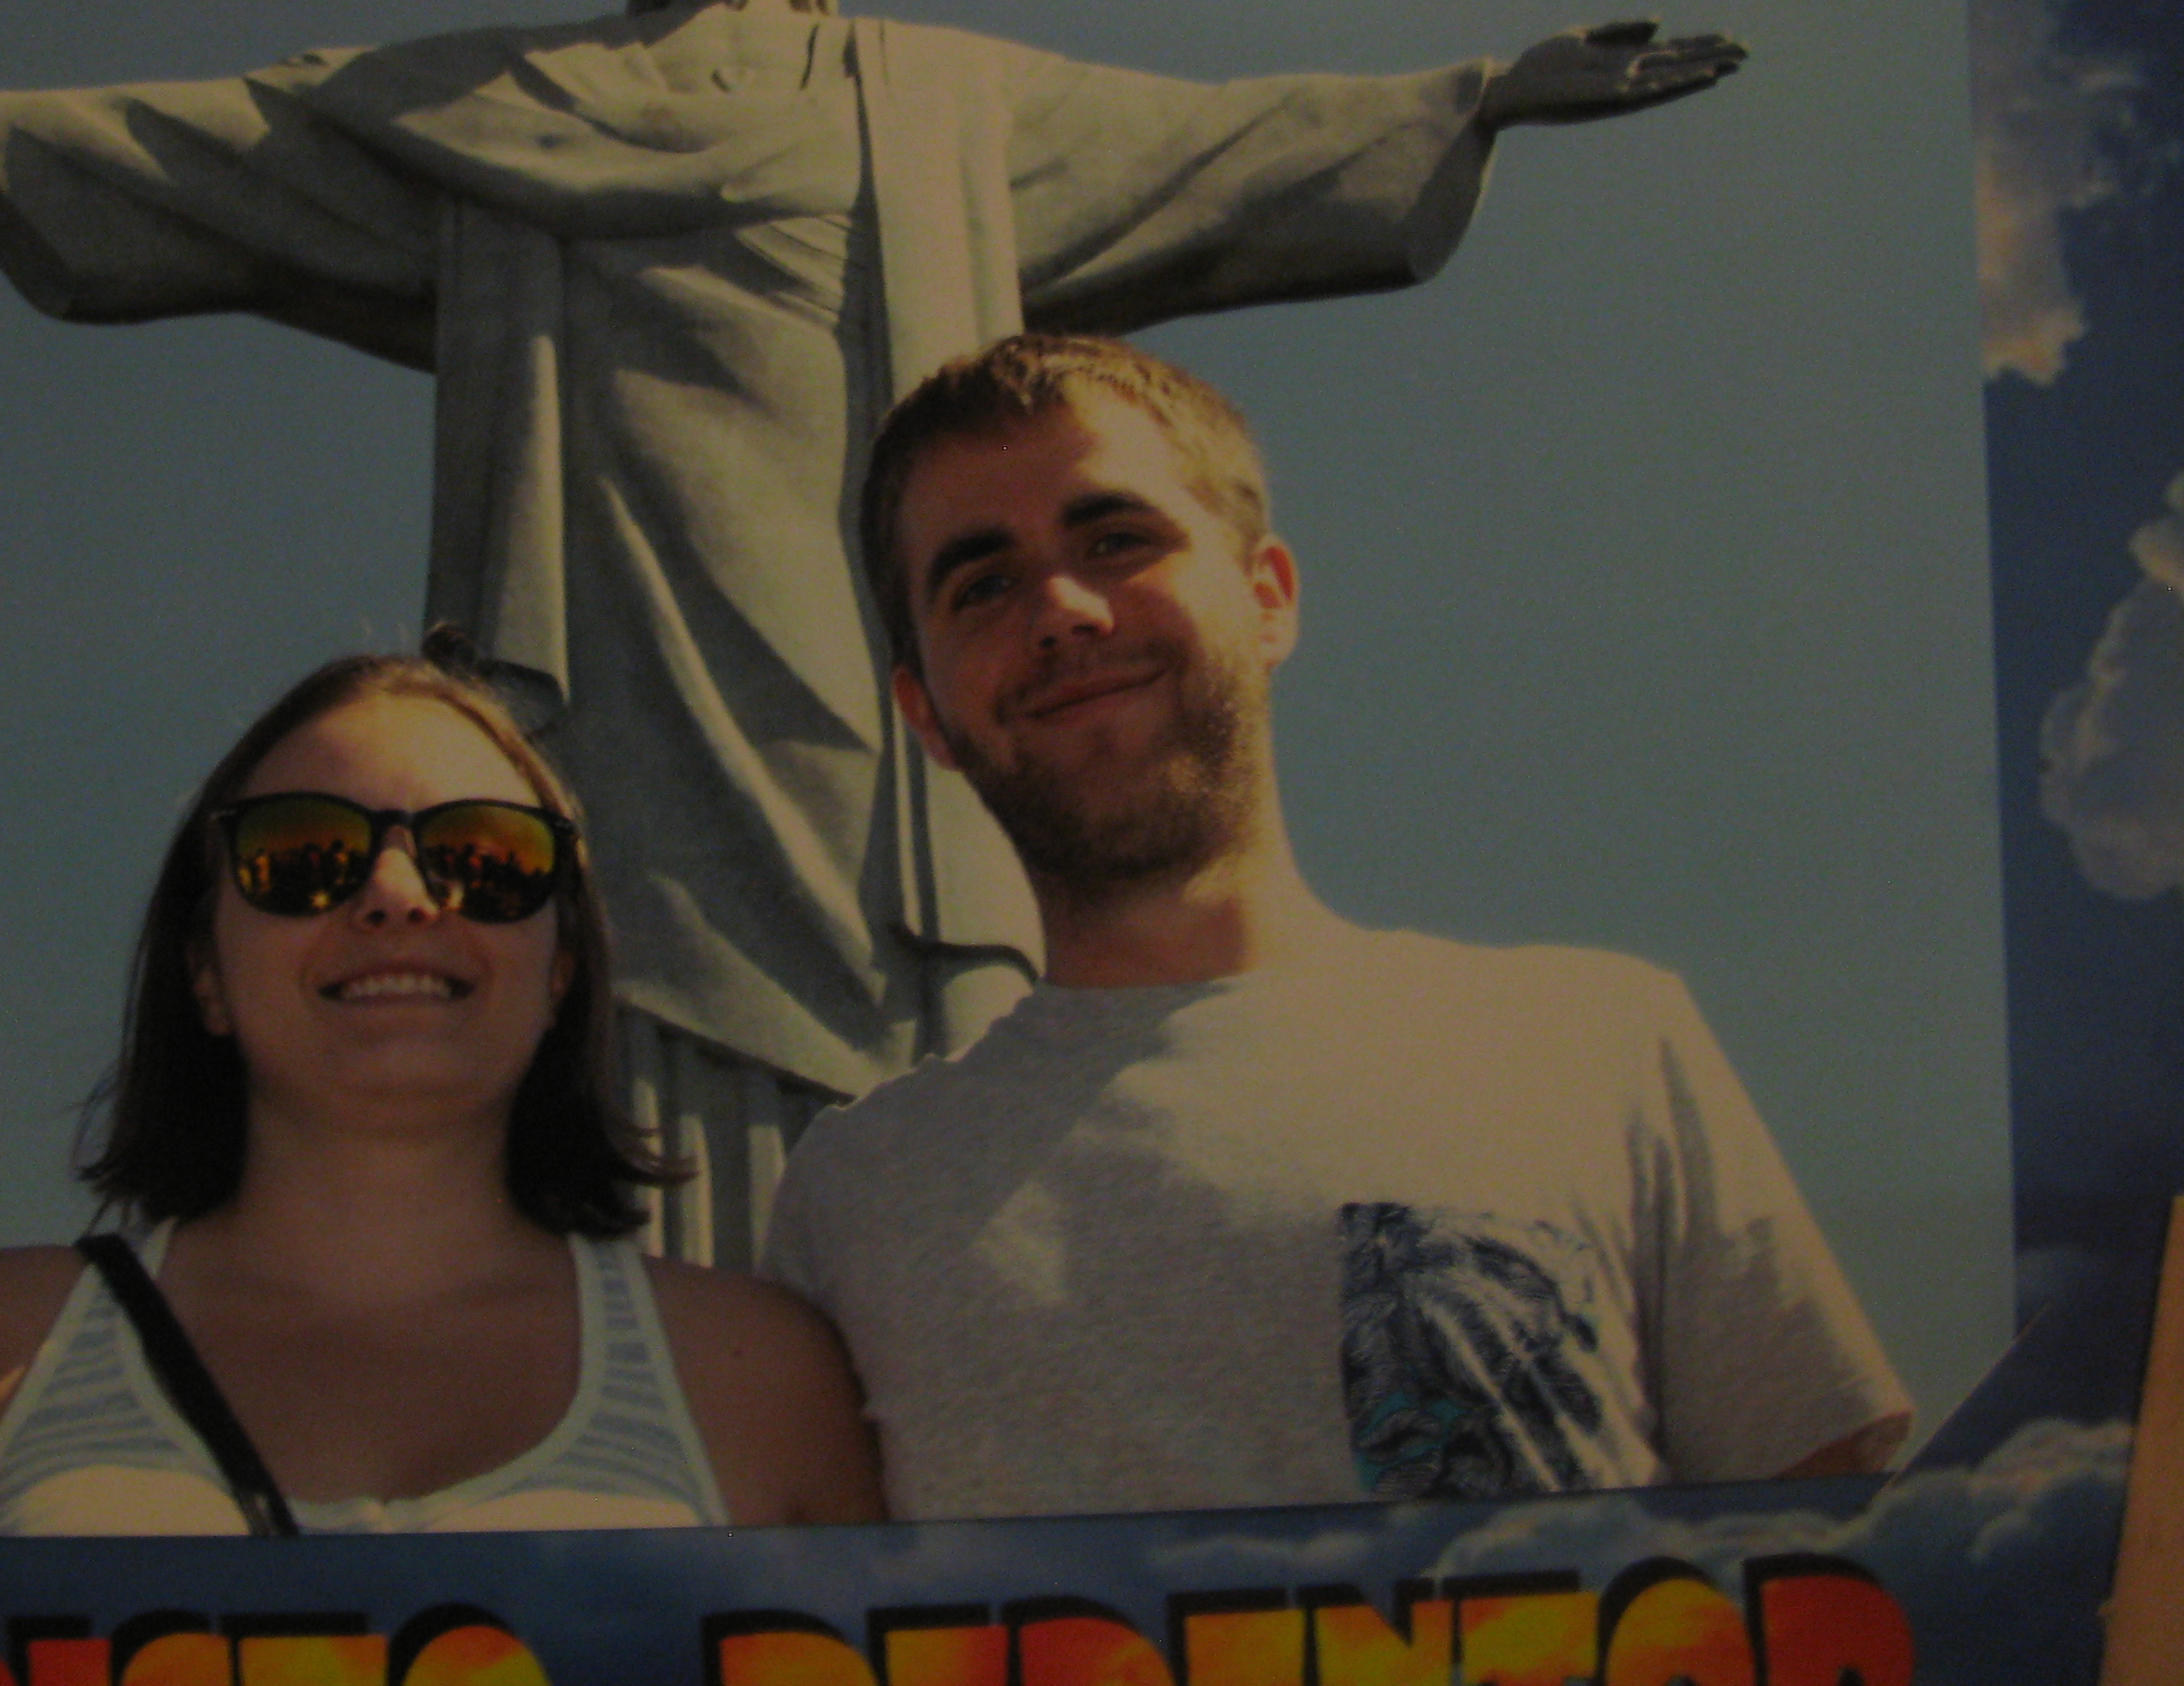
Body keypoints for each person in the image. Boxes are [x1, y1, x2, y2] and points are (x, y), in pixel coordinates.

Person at [0, 0, 1746, 1264]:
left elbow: (1215, 146)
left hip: (873, 651)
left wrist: (1469, 94)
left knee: (922, 979)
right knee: (604, 959)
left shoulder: (931, 98)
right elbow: (235, 143)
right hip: (609, 615)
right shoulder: (504, 101)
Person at [762, 332, 1911, 1519]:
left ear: (1268, 601)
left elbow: (1842, 1560)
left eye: (1116, 540)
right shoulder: (854, 1200)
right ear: (926, 714)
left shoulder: (1604, 1045)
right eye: (982, 584)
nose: (1059, 608)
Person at [0, 647, 882, 1535]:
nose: (394, 895)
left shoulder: (758, 1376)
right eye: (301, 855)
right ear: (205, 974)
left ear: (561, 968)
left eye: (482, 856)